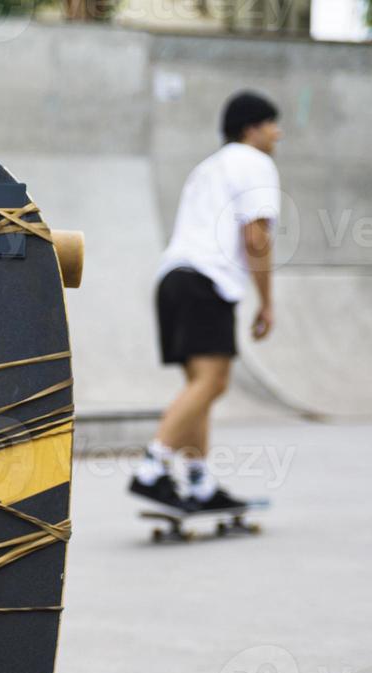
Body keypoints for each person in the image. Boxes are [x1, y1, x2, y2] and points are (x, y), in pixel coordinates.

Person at [129, 90, 282, 512]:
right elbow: (255, 237)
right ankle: (152, 470)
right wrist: (266, 302)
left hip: (172, 281)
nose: (277, 133)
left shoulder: (207, 168)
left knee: (201, 386)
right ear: (251, 128)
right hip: (205, 284)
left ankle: (197, 484)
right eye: (272, 124)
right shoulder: (255, 162)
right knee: (213, 383)